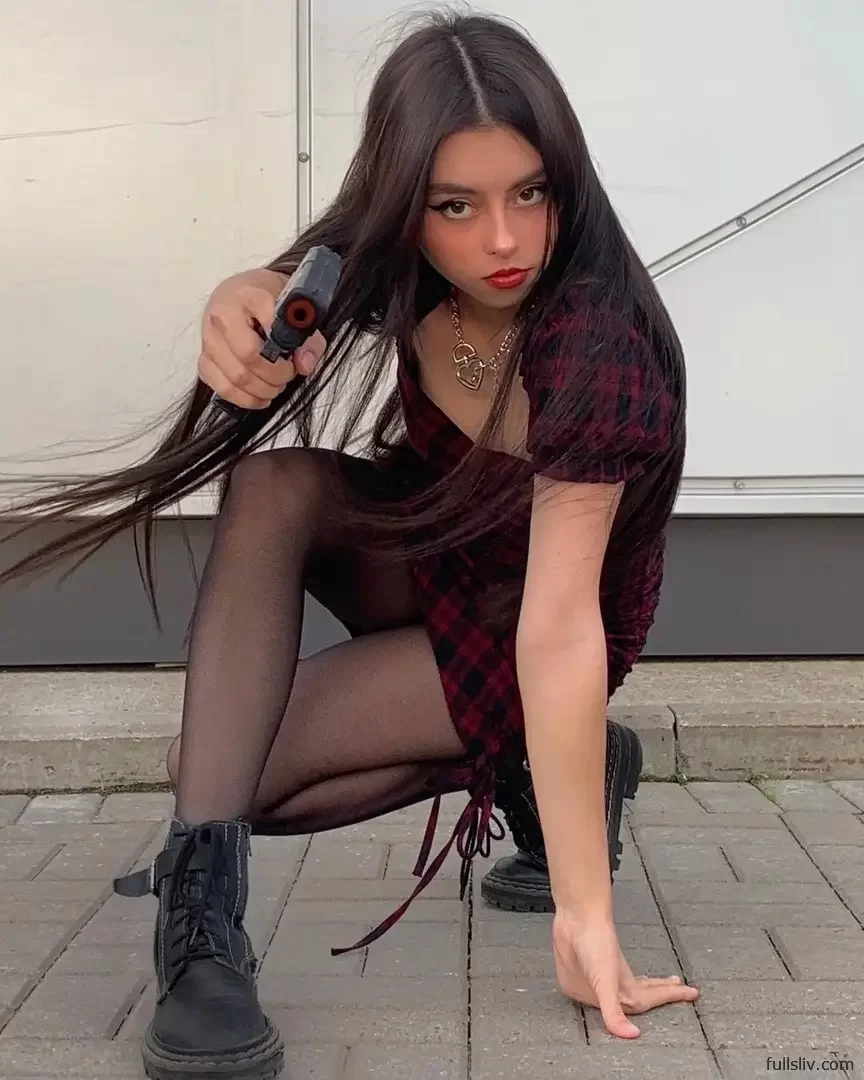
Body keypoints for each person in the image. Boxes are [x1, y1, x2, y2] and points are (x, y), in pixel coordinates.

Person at [0, 8, 700, 1079]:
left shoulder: (594, 341)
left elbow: (561, 628)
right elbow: (286, 285)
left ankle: (540, 756)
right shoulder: (391, 259)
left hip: (530, 622)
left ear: (566, 178)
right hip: (434, 544)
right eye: (455, 205)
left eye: (531, 193)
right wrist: (235, 298)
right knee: (272, 492)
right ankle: (203, 943)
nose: (502, 241)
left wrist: (584, 912)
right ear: (405, 200)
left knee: (226, 773)